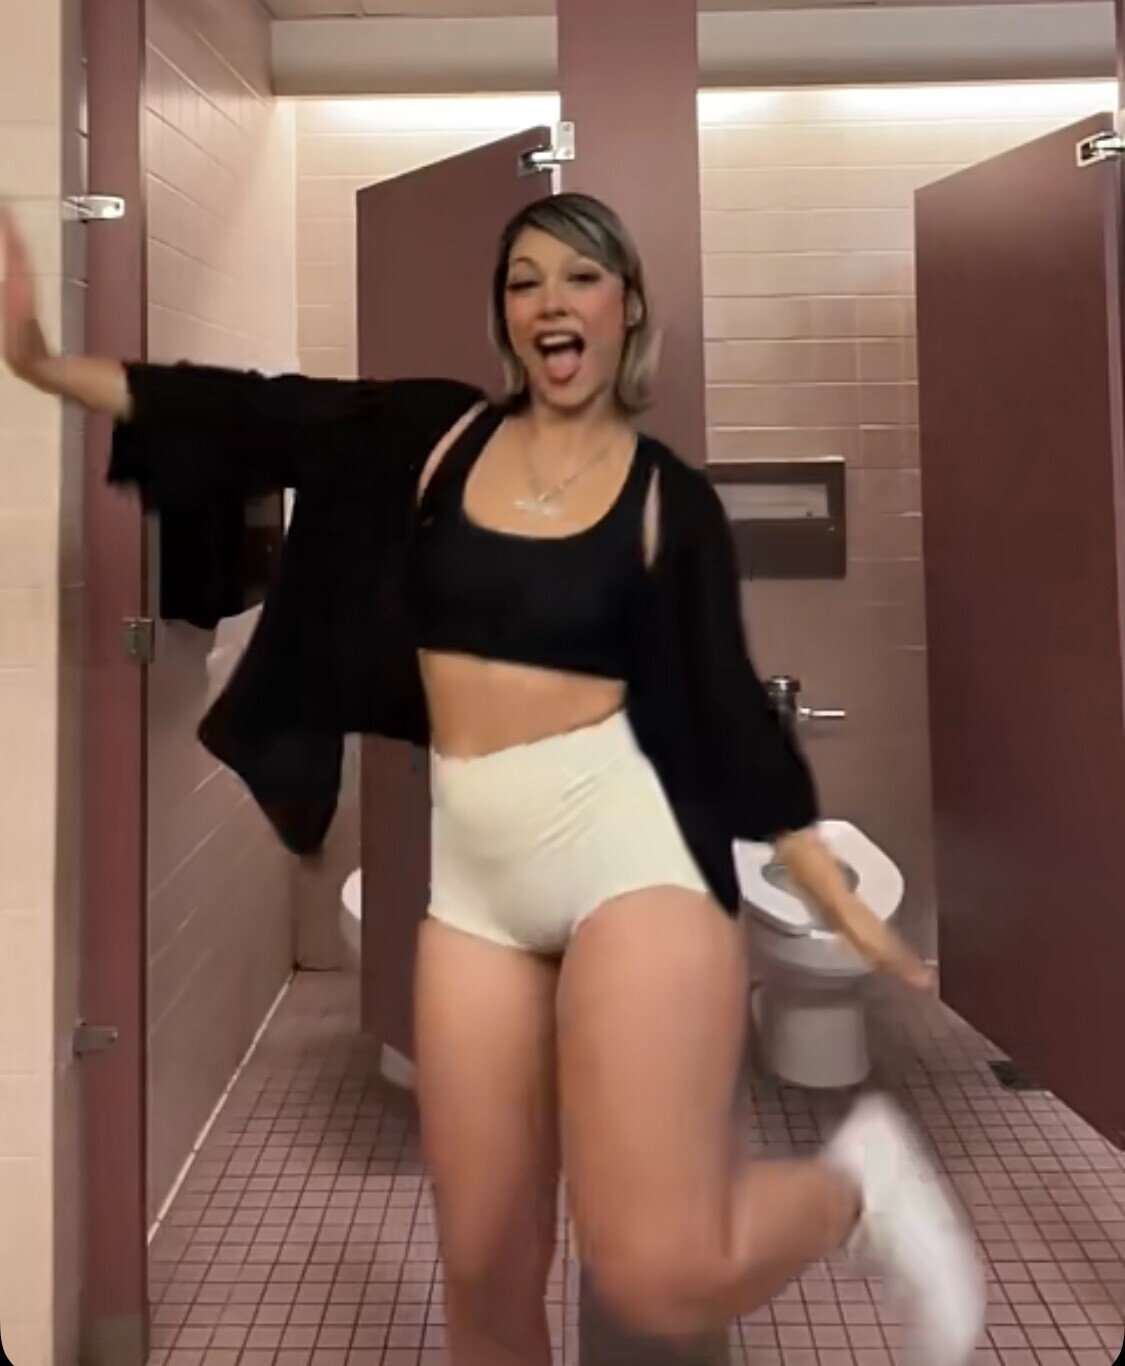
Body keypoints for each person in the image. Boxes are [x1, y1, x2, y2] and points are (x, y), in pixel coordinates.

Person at [1, 195, 985, 1366]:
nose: (551, 301)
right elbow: (249, 408)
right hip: (478, 886)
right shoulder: (432, 435)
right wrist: (43, 363)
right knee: (482, 1275)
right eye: (525, 280)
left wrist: (820, 878)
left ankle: (859, 1188)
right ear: (503, 316)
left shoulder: (667, 497)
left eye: (581, 276)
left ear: (628, 308)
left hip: (634, 856)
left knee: (653, 1266)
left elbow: (724, 705)